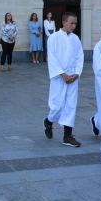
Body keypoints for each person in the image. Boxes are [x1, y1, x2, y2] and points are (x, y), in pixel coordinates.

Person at [43, 12, 84, 147]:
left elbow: (80, 57)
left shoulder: (76, 39)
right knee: (58, 105)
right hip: (59, 77)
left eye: (75, 24)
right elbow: (52, 58)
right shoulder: (53, 38)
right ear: (63, 22)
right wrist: (62, 74)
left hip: (72, 76)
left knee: (71, 104)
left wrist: (77, 73)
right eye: (71, 23)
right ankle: (49, 121)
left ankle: (67, 135)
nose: (73, 26)